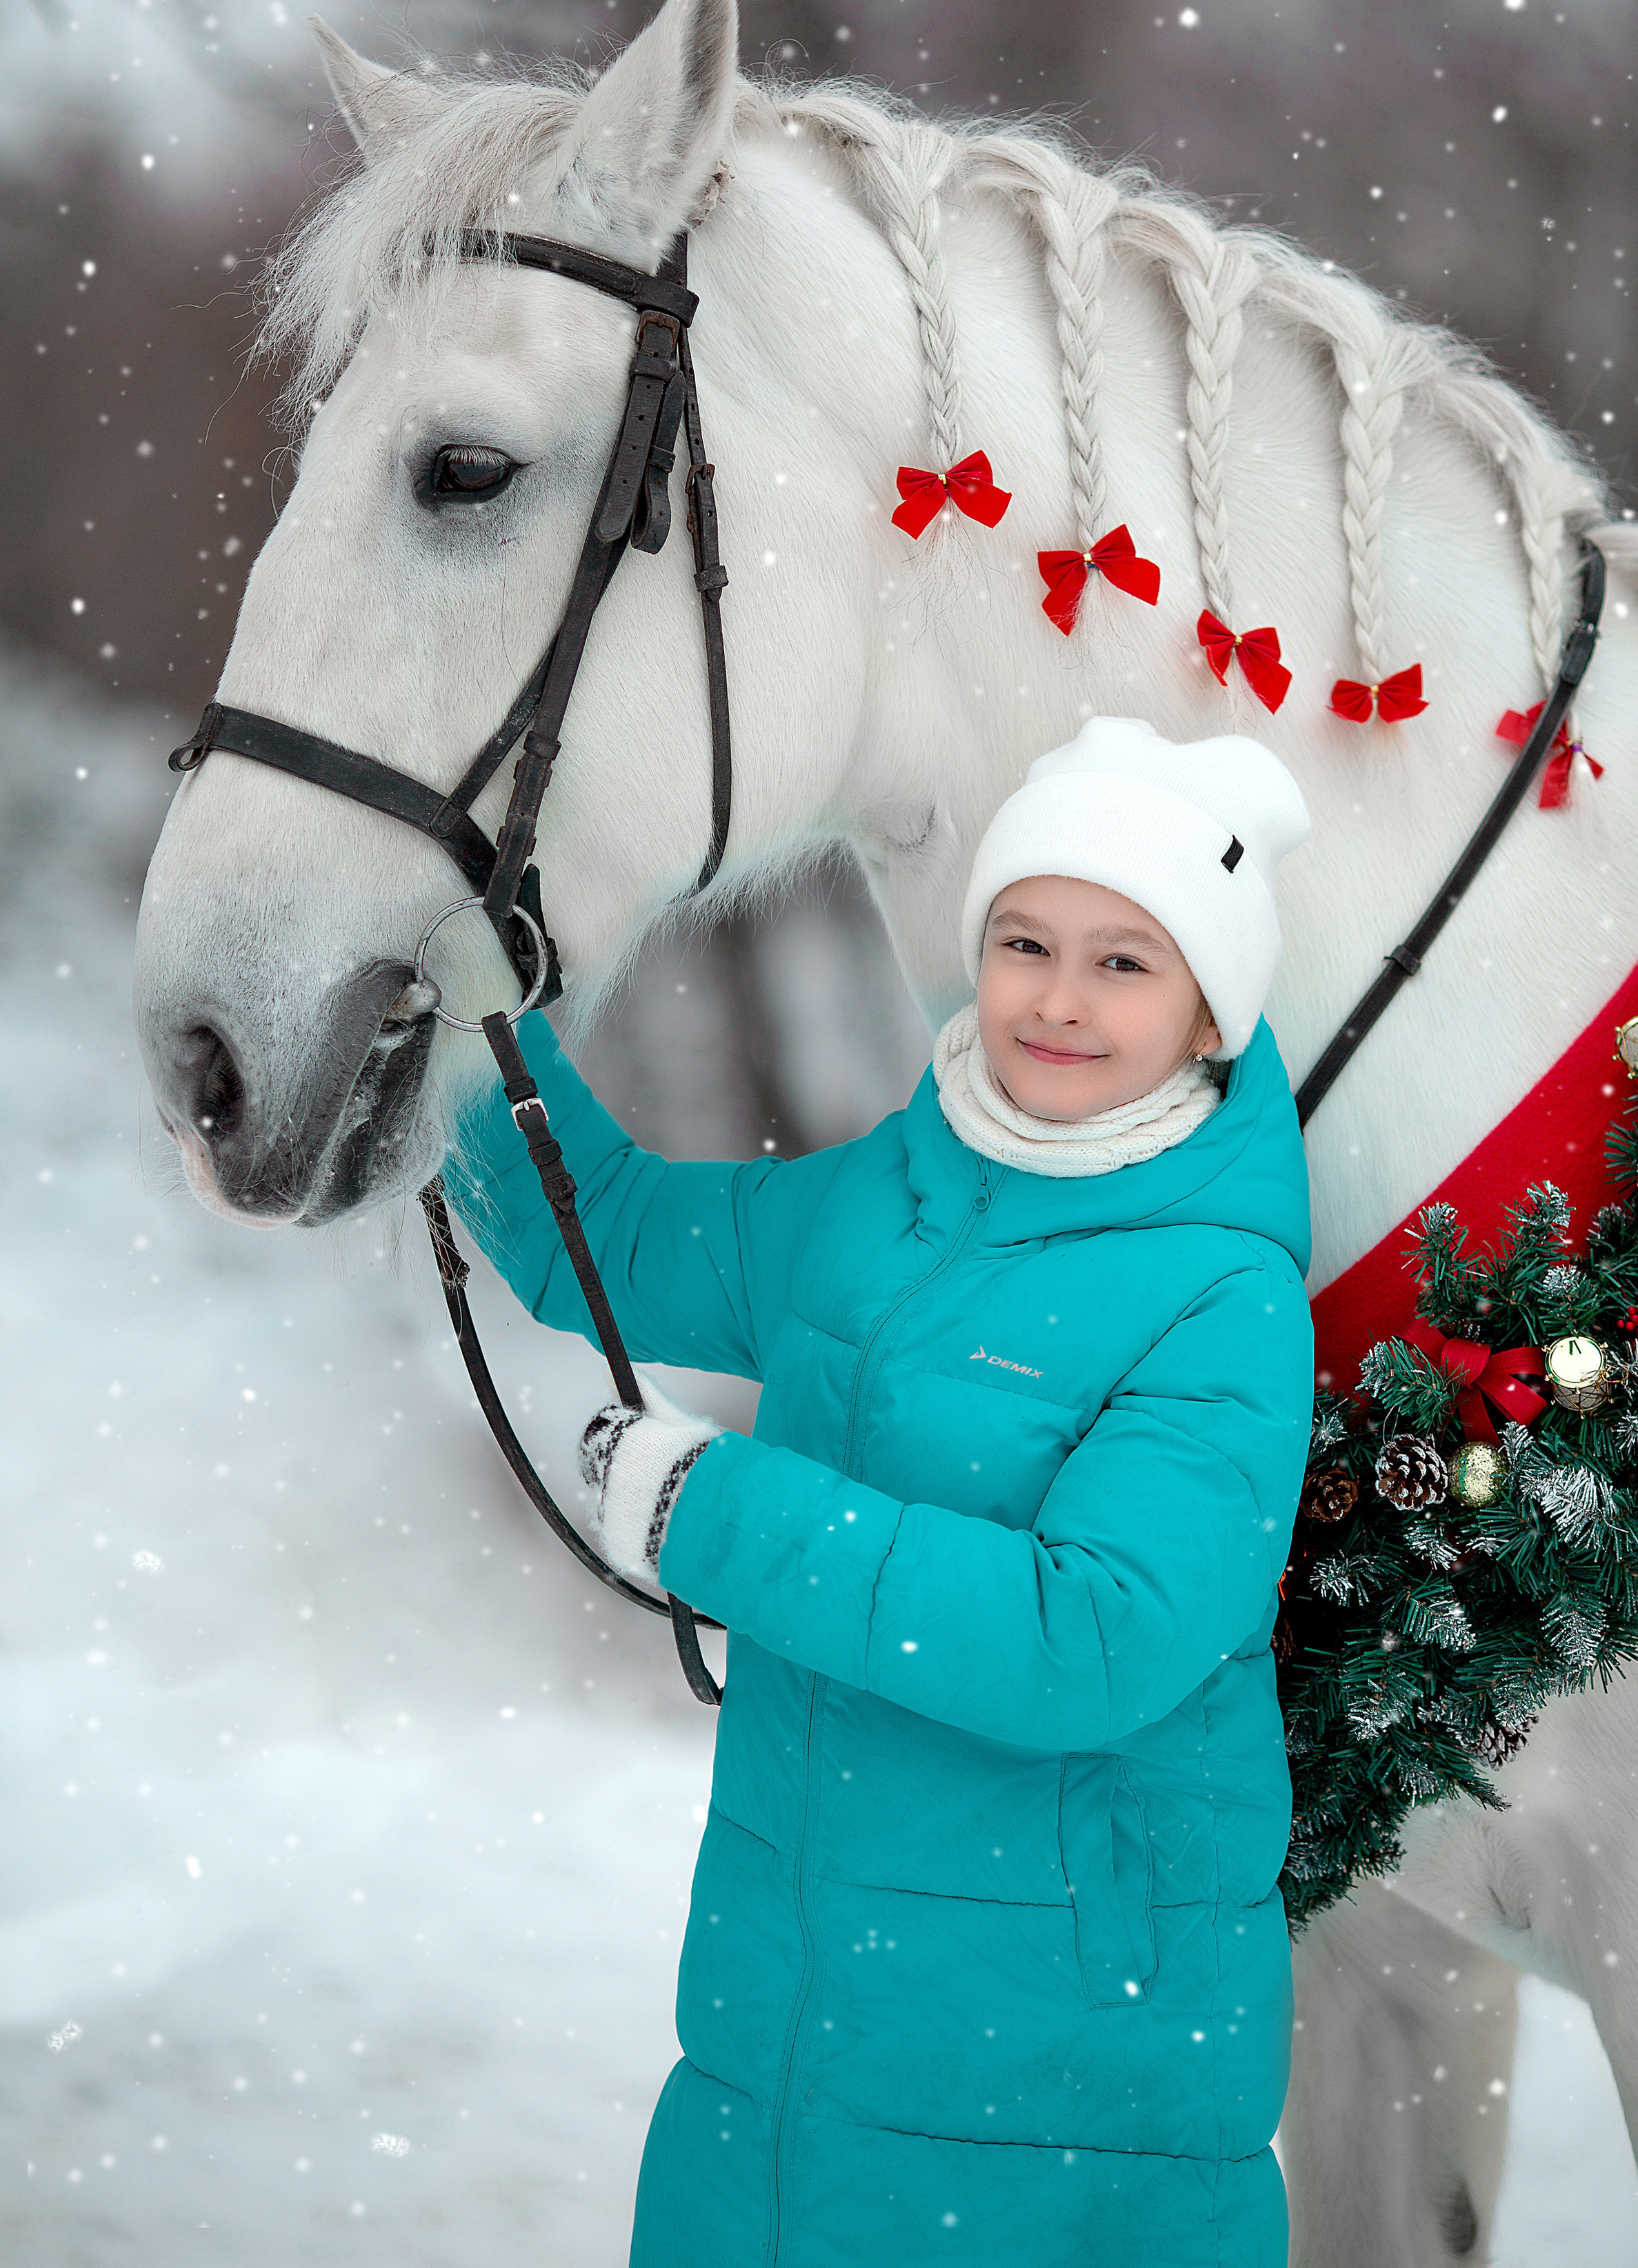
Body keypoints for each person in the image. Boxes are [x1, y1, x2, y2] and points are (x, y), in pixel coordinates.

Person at [448, 715, 1315, 2267]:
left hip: (1055, 2085)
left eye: (1125, 963)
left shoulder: (1220, 1300)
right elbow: (625, 1240)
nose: (1055, 999)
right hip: (779, 2055)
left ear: (1207, 1016)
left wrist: (712, 1515)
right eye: (1025, 941)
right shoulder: (877, 1201)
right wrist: (458, 1033)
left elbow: (1090, 1640)